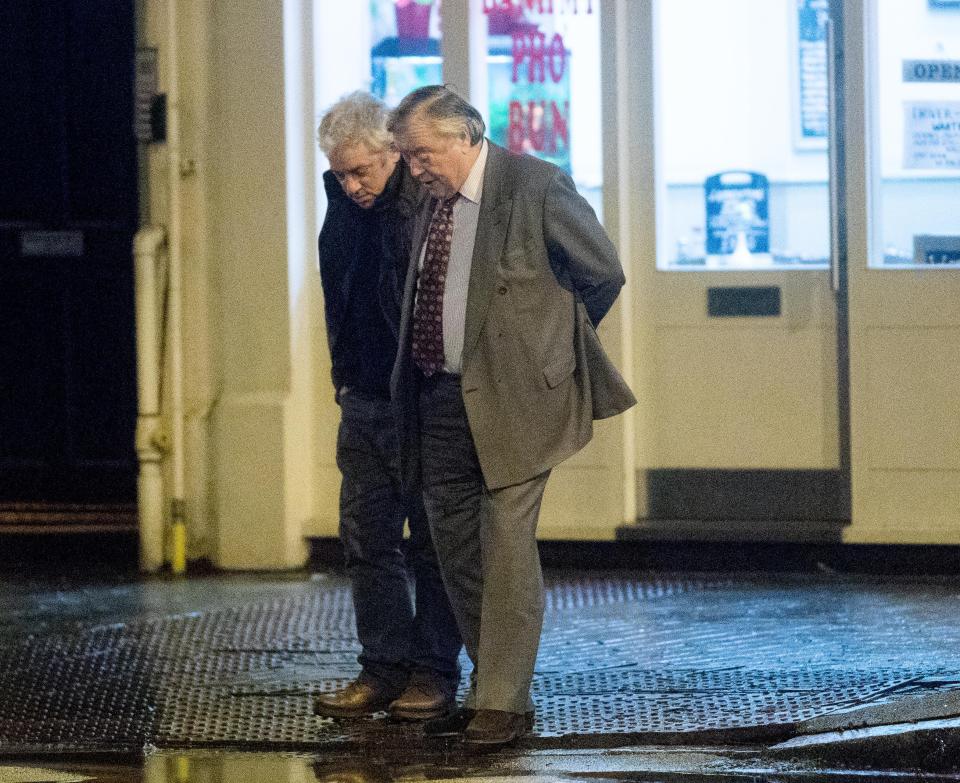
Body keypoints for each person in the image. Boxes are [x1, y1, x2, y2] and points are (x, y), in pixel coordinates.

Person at [387, 85, 636, 747]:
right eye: (406, 156)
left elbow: (603, 273)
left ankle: (500, 699)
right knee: (457, 551)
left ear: (463, 136)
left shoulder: (537, 185)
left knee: (506, 542)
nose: (412, 168)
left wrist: (547, 346)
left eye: (421, 154)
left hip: (515, 397)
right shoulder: (426, 199)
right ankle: (496, 678)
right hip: (436, 395)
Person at [313, 91, 461, 721]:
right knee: (366, 540)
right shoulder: (342, 213)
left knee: (432, 543)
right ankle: (382, 668)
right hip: (365, 401)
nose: (351, 185)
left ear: (393, 153)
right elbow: (339, 302)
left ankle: (432, 672)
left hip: (423, 404)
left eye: (362, 170)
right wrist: (343, 379)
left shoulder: (428, 208)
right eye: (340, 172)